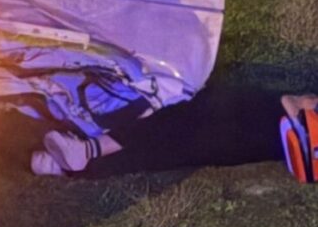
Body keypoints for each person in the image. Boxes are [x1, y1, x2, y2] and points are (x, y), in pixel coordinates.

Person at [30, 85, 317, 178]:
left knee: (181, 118)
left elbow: (294, 104)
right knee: (175, 145)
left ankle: (87, 152)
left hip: (272, 124)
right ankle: (71, 164)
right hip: (274, 133)